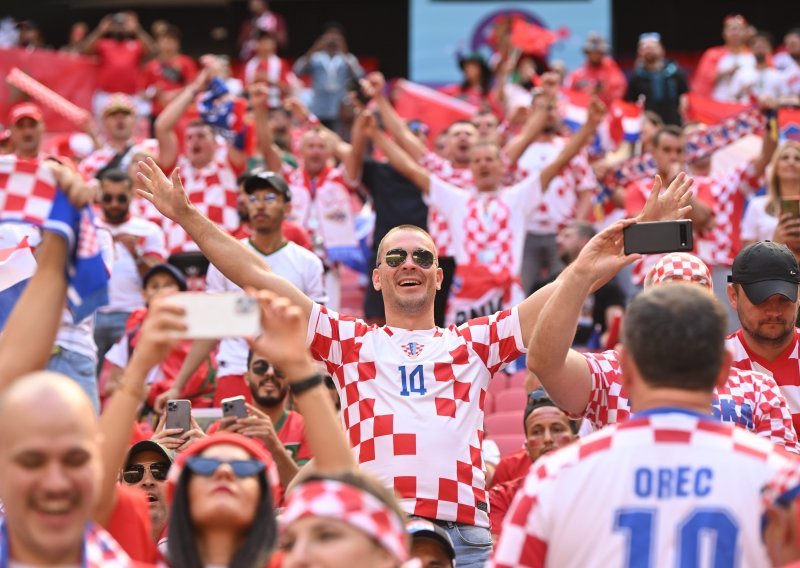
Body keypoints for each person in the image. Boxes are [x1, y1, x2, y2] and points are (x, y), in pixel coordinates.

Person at [135, 154, 573, 566]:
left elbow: (557, 296)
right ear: (377, 277)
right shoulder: (349, 341)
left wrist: (594, 261)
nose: (410, 265)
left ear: (438, 277)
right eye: (395, 257)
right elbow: (258, 276)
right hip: (374, 528)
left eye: (422, 257)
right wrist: (188, 217)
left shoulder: (474, 342)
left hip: (463, 535)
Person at [492, 284, 798, 567]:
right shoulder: (783, 480)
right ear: (724, 370)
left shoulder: (557, 476)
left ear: (624, 368)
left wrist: (584, 271)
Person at [526, 212, 799, 451]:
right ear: (645, 306)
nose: (685, 300)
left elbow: (784, 480)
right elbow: (545, 362)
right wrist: (580, 276)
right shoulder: (611, 374)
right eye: (671, 289)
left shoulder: (757, 388)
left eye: (698, 288)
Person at [368, 97, 603, 325]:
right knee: (464, 360)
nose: (483, 165)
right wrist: (376, 135)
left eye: (490, 159)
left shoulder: (519, 196)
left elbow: (560, 160)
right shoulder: (455, 199)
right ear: (470, 168)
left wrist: (590, 126)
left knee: (511, 363)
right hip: (466, 299)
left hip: (507, 297)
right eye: (478, 161)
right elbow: (411, 169)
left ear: (502, 166)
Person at [155, 169, 326, 410]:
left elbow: (316, 328)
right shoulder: (223, 257)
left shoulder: (308, 262)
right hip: (235, 370)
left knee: (287, 444)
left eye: (269, 198)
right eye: (253, 199)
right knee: (234, 444)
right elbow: (212, 325)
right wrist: (178, 385)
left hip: (287, 374)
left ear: (287, 208)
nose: (259, 206)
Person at [94, 168, 166, 370]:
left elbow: (159, 279)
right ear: (99, 197)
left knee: (130, 381)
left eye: (120, 198)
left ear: (131, 196)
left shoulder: (148, 230)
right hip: (92, 314)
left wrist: (136, 254)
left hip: (132, 314)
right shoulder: (88, 228)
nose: (114, 204)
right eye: (107, 198)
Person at [726, 241, 800, 434]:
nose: (774, 312)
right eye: (761, 299)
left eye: (784, 300)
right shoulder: (708, 364)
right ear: (733, 296)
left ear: (798, 296)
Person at [624, 126, 712, 286]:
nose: (673, 157)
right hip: (650, 277)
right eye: (667, 150)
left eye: (679, 151)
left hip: (691, 275)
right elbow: (639, 232)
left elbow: (702, 219)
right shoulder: (637, 189)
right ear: (654, 153)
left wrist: (676, 183)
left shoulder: (700, 185)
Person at [488, 390, 579, 537]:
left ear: (576, 441)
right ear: (527, 447)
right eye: (537, 432)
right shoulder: (502, 498)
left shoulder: (597, 489)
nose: (548, 439)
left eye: (557, 429)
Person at [529, 221, 625, 347]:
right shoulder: (544, 285)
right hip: (550, 353)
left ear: (585, 242)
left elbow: (614, 330)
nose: (558, 240)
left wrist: (598, 348)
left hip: (592, 357)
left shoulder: (609, 287)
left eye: (566, 236)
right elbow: (529, 328)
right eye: (559, 236)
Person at [81, 11, 155, 117]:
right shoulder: (104, 43)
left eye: (123, 24)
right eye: (117, 24)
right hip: (106, 95)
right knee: (102, 130)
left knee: (133, 129)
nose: (120, 27)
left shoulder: (136, 44)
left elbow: (152, 51)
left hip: (131, 96)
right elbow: (85, 51)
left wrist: (137, 29)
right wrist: (100, 30)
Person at [292, 23, 363, 131]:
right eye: (329, 37)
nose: (332, 41)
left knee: (336, 140)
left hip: (338, 109)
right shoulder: (316, 57)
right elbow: (298, 70)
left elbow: (359, 76)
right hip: (318, 107)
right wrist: (315, 47)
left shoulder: (347, 58)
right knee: (318, 137)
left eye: (336, 37)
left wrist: (345, 50)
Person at [741, 140, 800, 257]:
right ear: (776, 167)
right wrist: (774, 243)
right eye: (785, 158)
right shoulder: (757, 205)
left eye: (797, 159)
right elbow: (747, 257)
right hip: (771, 273)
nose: (791, 162)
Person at [141, 23, 198, 128]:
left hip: (181, 113)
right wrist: (153, 92)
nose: (168, 44)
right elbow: (142, 94)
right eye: (164, 40)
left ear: (177, 43)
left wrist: (173, 94)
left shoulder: (186, 62)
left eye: (171, 40)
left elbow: (194, 87)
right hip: (158, 114)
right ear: (158, 43)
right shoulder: (150, 66)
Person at [625, 32, 689, 126]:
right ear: (639, 52)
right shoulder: (636, 77)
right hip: (648, 126)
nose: (649, 51)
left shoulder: (675, 72)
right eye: (645, 48)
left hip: (674, 124)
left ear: (662, 50)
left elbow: (686, 95)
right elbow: (630, 103)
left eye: (652, 47)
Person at [693, 14, 756, 101]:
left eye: (739, 29)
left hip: (746, 106)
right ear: (724, 33)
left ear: (746, 32)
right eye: (731, 29)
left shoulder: (755, 55)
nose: (735, 32)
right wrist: (723, 72)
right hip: (718, 103)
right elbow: (702, 82)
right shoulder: (712, 54)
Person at [121, 440, 173, 545]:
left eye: (160, 471)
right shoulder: (101, 547)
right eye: (133, 474)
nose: (148, 481)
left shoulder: (199, 547)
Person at [79, 94, 140, 181]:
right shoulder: (92, 161)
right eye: (113, 115)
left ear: (134, 120)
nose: (120, 119)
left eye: (125, 114)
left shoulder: (152, 149)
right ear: (105, 122)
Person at [565, 33, 627, 106]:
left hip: (606, 111)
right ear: (587, 52)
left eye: (599, 52)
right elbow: (568, 95)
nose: (596, 55)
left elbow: (620, 92)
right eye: (593, 51)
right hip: (583, 112)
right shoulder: (577, 74)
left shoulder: (612, 69)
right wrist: (587, 94)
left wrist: (604, 91)